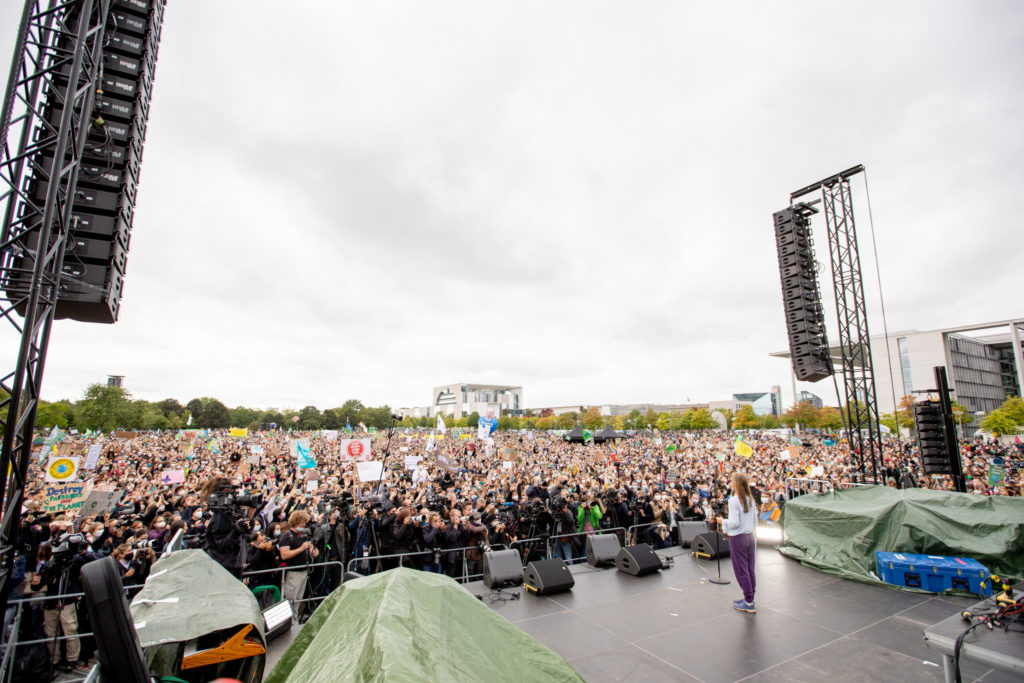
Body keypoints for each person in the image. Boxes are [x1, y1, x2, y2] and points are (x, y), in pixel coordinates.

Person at [719, 471, 757, 614]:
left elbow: (734, 523)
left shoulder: (734, 500)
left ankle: (748, 601)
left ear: (735, 484)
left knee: (741, 570)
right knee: (750, 568)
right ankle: (750, 597)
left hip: (738, 538)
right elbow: (754, 521)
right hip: (750, 536)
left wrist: (723, 521)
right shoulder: (750, 499)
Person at [277, 510, 318, 622]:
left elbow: (313, 549)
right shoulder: (287, 536)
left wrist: (314, 551)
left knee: (298, 600)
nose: (303, 524)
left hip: (304, 571)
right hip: (293, 572)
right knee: (291, 599)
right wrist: (301, 549)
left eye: (304, 522)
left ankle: (294, 622)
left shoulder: (304, 535)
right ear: (295, 521)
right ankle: (288, 623)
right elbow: (284, 555)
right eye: (301, 522)